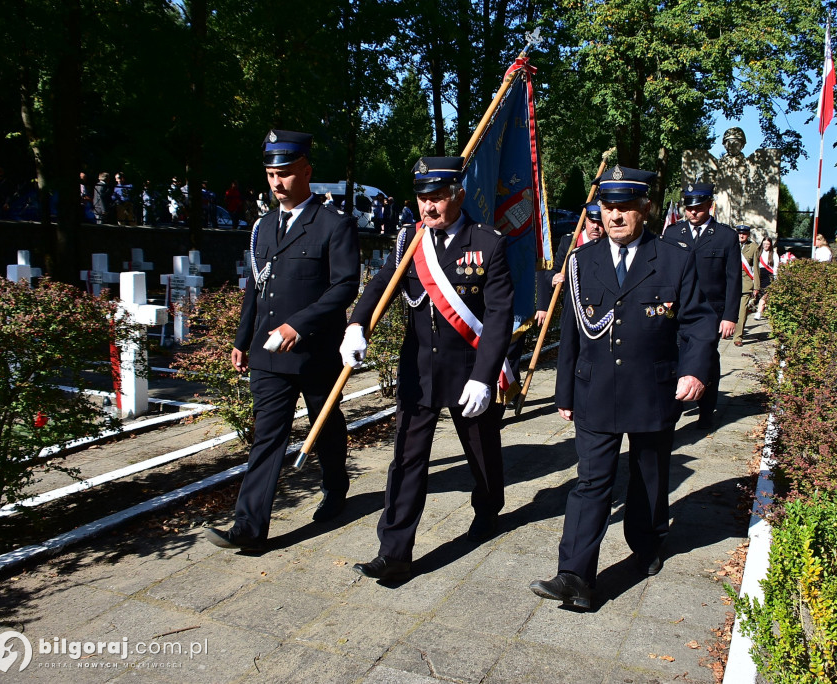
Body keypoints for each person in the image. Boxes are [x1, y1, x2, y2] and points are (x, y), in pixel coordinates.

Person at [529, 165, 716, 610]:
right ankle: (573, 573)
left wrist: (695, 371)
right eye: (607, 208)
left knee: (648, 476)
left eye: (624, 208)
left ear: (644, 209)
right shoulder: (581, 261)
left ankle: (647, 541)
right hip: (595, 390)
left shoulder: (674, 258)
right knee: (591, 481)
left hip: (653, 388)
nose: (614, 216)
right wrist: (564, 394)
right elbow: (572, 333)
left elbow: (698, 321)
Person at [339, 156, 514, 582]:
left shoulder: (487, 242)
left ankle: (488, 508)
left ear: (457, 194)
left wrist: (484, 375)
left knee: (482, 453)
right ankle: (394, 550)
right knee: (406, 459)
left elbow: (498, 315)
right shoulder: (409, 241)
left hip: (468, 370)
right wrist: (356, 324)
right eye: (422, 199)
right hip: (418, 371)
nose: (428, 208)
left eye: (437, 198)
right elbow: (381, 284)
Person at [205, 129, 360, 551]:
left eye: (286, 173)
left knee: (324, 425)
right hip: (268, 356)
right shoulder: (262, 227)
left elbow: (345, 286)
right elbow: (256, 288)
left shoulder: (333, 224)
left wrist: (299, 326)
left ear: (307, 171)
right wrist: (242, 340)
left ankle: (335, 487)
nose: (277, 182)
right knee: (267, 438)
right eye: (272, 174)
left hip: (313, 352)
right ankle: (248, 530)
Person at [662, 183, 739, 430]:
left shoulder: (726, 236)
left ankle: (706, 412)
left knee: (706, 360)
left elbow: (733, 279)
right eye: (689, 207)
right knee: (672, 359)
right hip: (677, 310)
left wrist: (730, 316)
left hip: (711, 313)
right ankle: (671, 410)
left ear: (709, 205)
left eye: (698, 207)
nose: (693, 212)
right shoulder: (673, 234)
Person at [535, 201, 606, 327]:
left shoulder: (610, 247)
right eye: (592, 221)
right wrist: (553, 278)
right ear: (585, 220)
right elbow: (548, 270)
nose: (595, 226)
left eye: (600, 223)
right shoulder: (569, 243)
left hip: (601, 314)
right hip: (571, 311)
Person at [733, 225, 760, 346]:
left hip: (745, 285)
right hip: (731, 284)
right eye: (739, 233)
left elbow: (755, 268)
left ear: (748, 235)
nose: (741, 236)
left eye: (744, 234)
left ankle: (738, 337)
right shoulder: (731, 245)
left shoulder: (753, 247)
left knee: (742, 312)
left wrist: (756, 287)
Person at [755, 235, 779, 320]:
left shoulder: (774, 254)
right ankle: (763, 309)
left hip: (769, 275)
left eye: (767, 244)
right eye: (764, 244)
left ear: (770, 245)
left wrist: (775, 278)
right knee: (760, 294)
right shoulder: (758, 252)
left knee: (765, 295)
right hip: (760, 275)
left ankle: (759, 312)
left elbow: (776, 266)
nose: (766, 246)